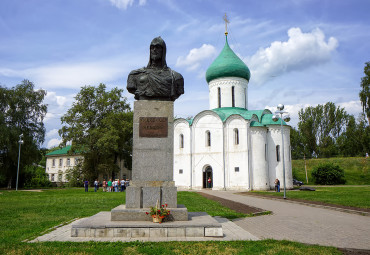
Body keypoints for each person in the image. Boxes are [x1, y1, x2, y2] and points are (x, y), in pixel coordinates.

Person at [127, 36, 184, 101]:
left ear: (163, 51)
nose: (154, 49)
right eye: (152, 47)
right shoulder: (135, 75)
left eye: (157, 47)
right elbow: (131, 88)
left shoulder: (176, 77)